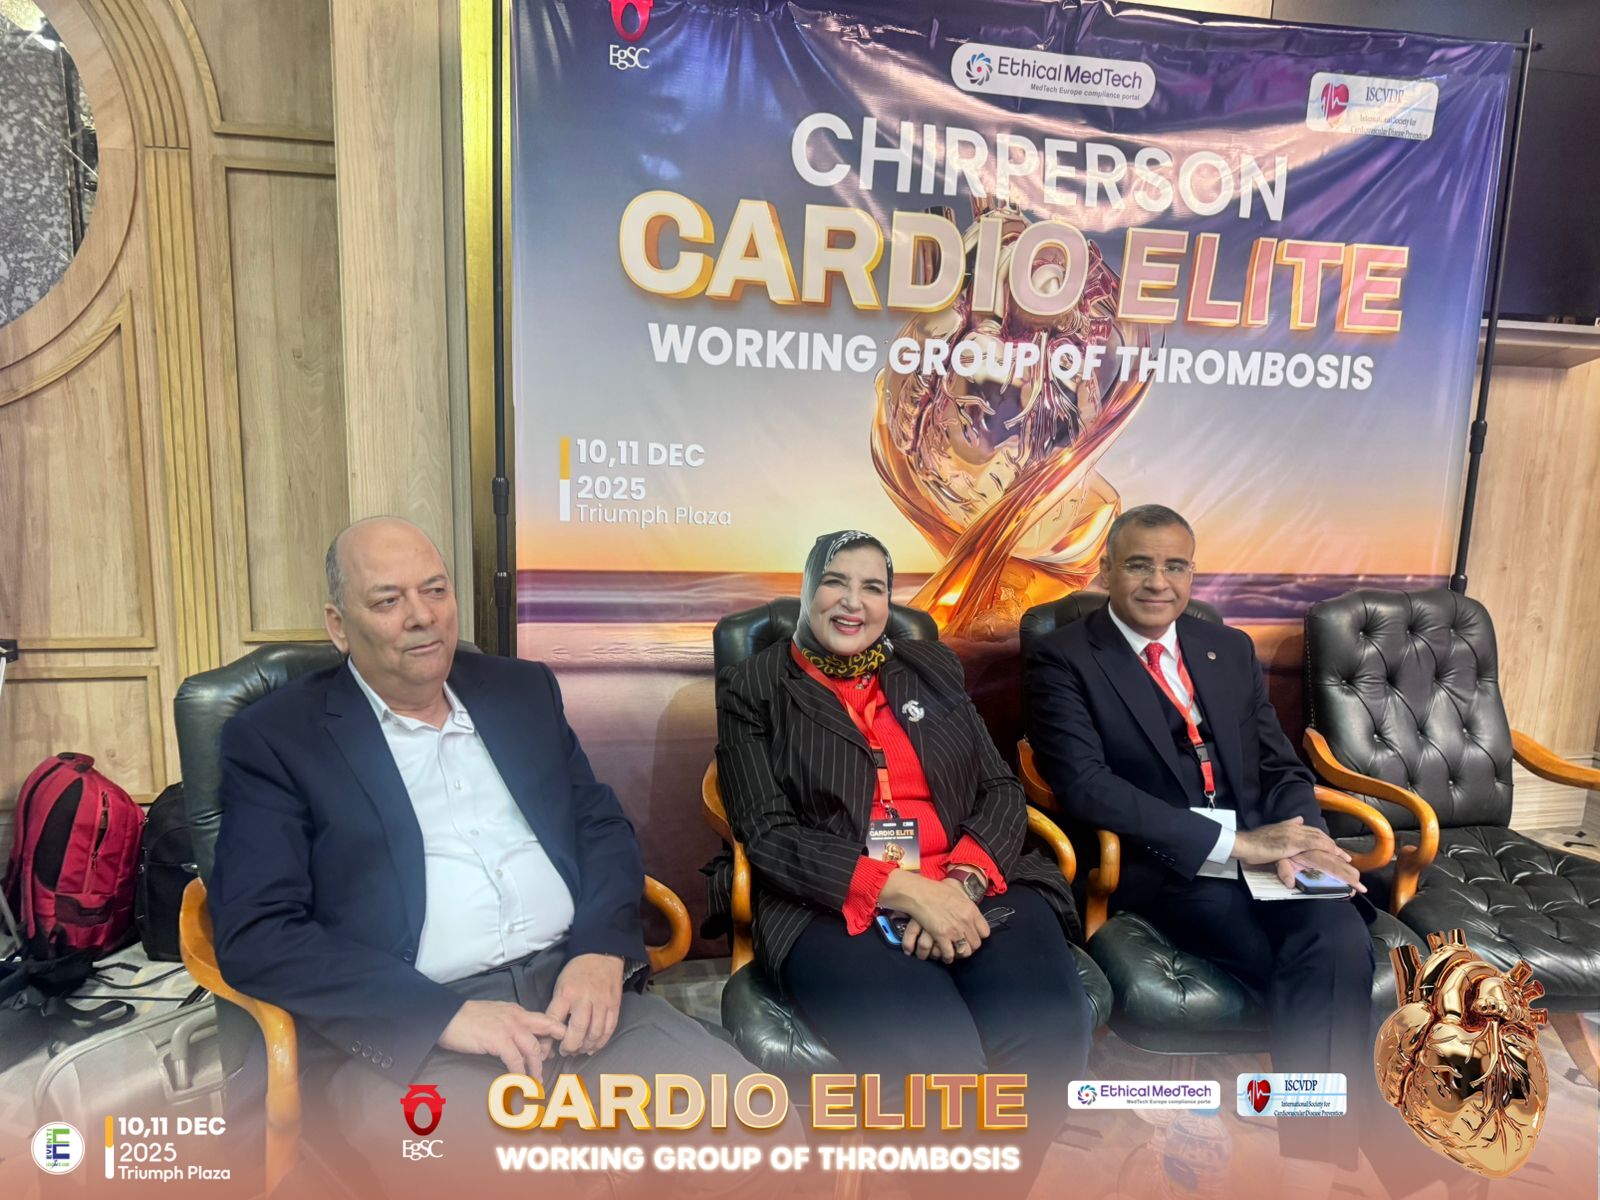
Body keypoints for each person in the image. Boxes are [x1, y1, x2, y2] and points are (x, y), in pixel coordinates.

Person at [209, 517, 764, 1190]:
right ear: (338, 624)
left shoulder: (519, 691)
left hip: (579, 998)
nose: (422, 615)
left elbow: (598, 826)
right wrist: (441, 1016)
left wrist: (600, 950)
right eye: (388, 600)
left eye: (435, 590)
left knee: (754, 1137)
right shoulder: (276, 739)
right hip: (420, 1034)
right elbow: (257, 932)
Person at [716, 530, 1093, 1190]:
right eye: (835, 582)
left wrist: (961, 883)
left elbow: (1000, 788)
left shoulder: (930, 666)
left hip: (974, 879)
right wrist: (905, 890)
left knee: (1051, 1034)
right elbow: (768, 834)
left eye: (873, 587)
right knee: (937, 1065)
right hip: (831, 904)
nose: (852, 602)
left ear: (889, 602)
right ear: (805, 588)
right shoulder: (755, 686)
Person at [1024, 503, 1374, 1182]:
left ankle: (1313, 1168)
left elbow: (1279, 766)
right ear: (1105, 570)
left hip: (1271, 853)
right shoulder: (1063, 657)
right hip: (1165, 865)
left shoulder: (1228, 648)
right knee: (1321, 970)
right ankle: (1344, 1164)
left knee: (1336, 938)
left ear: (1193, 573)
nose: (1159, 582)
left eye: (1175, 566)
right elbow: (1086, 786)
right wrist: (1236, 843)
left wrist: (1307, 840)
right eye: (1139, 565)